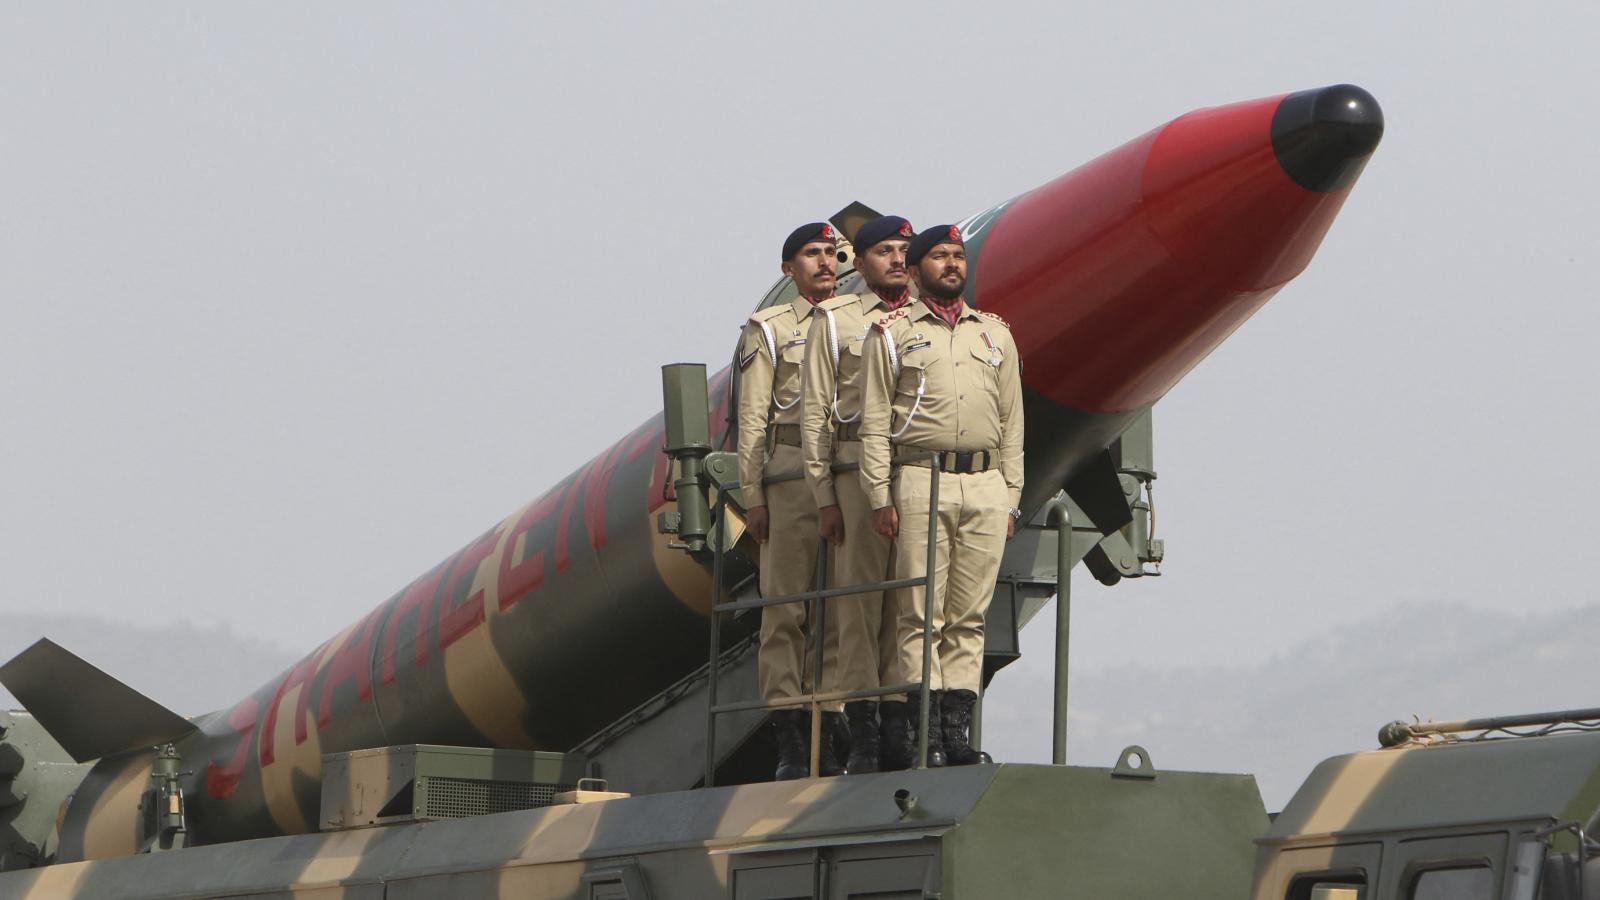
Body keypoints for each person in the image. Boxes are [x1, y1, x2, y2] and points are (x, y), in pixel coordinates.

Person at [858, 224, 1023, 768]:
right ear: (917, 268)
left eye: (958, 256)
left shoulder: (994, 334)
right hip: (918, 479)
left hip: (983, 483)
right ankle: (920, 733)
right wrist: (879, 494)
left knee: (968, 616)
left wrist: (1011, 496)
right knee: (918, 612)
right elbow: (876, 422)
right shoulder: (892, 331)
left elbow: (1011, 422)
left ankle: (956, 735)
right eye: (939, 256)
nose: (952, 264)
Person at [800, 215, 916, 774]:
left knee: (909, 605)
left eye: (903, 250)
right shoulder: (835, 319)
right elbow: (816, 411)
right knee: (860, 604)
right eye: (884, 251)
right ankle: (864, 729)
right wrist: (823, 492)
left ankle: (900, 725)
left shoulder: (927, 320)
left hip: (916, 475)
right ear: (862, 262)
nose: (896, 259)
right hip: (853, 475)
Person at [735, 221, 847, 780]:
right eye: (811, 254)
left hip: (845, 480)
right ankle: (789, 737)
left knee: (836, 611)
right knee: (785, 610)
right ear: (789, 269)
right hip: (789, 481)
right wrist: (752, 494)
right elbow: (753, 419)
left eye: (831, 253)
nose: (824, 262)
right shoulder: (770, 329)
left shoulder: (857, 322)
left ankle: (828, 728)